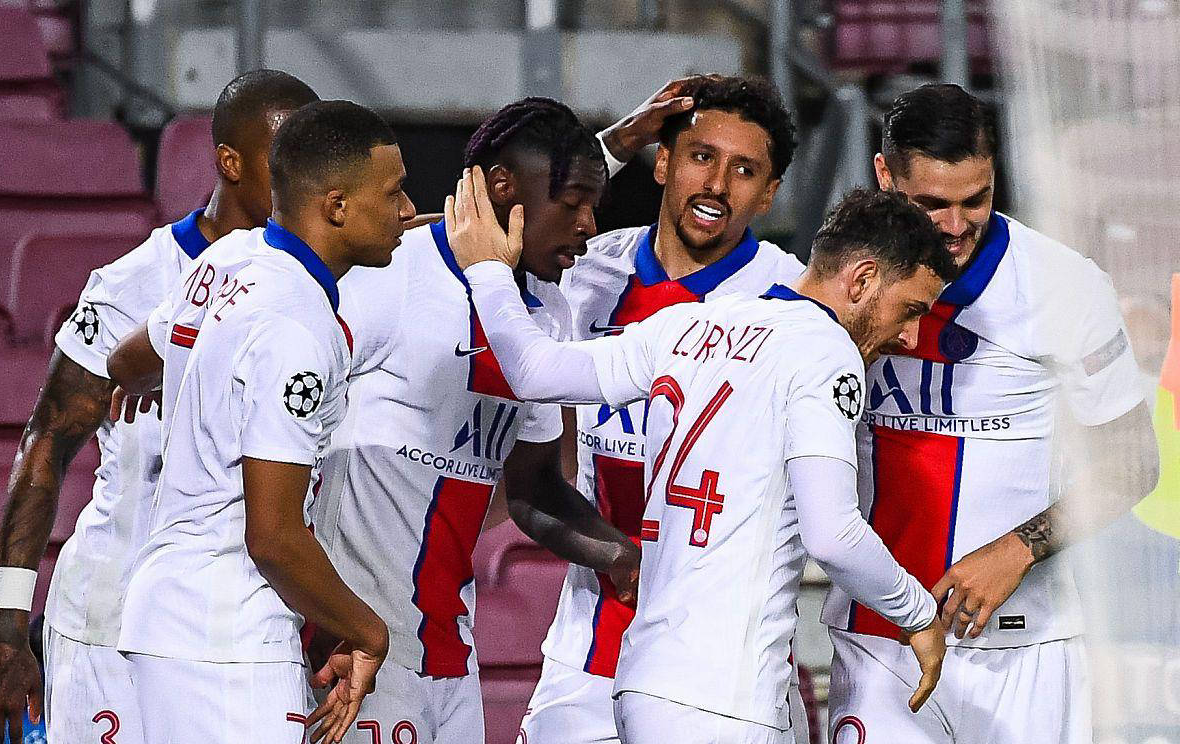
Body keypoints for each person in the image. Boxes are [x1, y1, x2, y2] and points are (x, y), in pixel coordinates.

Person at [447, 169, 953, 744]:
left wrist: (488, 272)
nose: (911, 337)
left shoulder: (689, 323)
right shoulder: (825, 352)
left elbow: (535, 372)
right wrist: (917, 613)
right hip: (725, 699)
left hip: (640, 682)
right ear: (862, 280)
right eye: (910, 309)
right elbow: (833, 535)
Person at [0, 70, 318, 744]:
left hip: (241, 635)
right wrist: (8, 627)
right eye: (287, 157)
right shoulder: (135, 284)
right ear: (230, 162)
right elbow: (46, 443)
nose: (305, 177)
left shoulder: (320, 287)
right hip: (112, 624)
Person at [821, 83, 1161, 744]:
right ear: (885, 175)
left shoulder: (1066, 283)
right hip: (879, 644)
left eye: (975, 199)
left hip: (1028, 652)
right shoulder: (839, 281)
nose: (954, 226)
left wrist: (1018, 549)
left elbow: (1133, 462)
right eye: (932, 204)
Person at [312, 97, 639, 743]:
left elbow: (534, 487)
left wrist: (622, 557)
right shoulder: (387, 274)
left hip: (450, 653)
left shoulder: (545, 313)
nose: (588, 225)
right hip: (356, 649)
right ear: (502, 187)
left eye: (593, 205)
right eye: (572, 203)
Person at [515, 74, 812, 744]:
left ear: (769, 194)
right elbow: (482, 225)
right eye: (702, 157)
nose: (717, 186)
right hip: (587, 655)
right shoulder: (584, 268)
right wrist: (613, 144)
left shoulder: (793, 297)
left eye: (744, 171)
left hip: (725, 677)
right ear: (664, 162)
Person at [115, 100, 414, 744]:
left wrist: (187, 388)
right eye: (393, 193)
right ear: (337, 206)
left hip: (168, 615)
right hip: (227, 634)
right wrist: (368, 632)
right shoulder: (295, 326)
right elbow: (273, 537)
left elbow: (127, 362)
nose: (407, 210)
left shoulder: (230, 258)